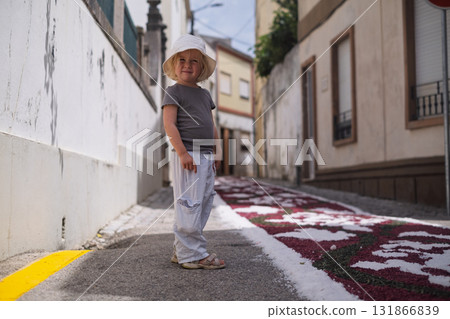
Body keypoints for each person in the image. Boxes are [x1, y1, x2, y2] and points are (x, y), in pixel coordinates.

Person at [161, 34, 225, 270]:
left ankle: (182, 249)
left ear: (201, 68)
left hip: (205, 155)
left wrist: (215, 153)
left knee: (204, 200)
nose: (187, 64)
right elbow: (170, 125)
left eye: (194, 61)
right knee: (190, 203)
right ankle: (193, 254)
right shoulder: (173, 92)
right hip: (188, 154)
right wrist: (182, 153)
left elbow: (211, 124)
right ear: (174, 65)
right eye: (182, 60)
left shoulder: (205, 95)